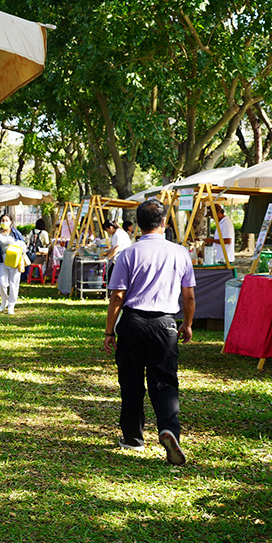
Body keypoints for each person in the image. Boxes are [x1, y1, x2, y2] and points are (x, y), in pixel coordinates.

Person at [103, 198, 195, 466]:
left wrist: (110, 331)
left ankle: (133, 437)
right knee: (165, 381)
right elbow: (188, 297)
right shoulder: (180, 253)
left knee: (131, 380)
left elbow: (117, 296)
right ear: (164, 223)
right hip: (166, 324)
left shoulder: (128, 254)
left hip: (133, 323)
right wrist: (187, 324)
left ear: (138, 225)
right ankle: (169, 430)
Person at [0, 214, 26, 314]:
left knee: (14, 283)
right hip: (2, 261)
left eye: (6, 220)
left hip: (14, 260)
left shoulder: (15, 233)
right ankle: (4, 300)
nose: (4, 222)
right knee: (1, 284)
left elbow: (23, 245)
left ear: (11, 222)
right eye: (2, 220)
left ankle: (11, 305)